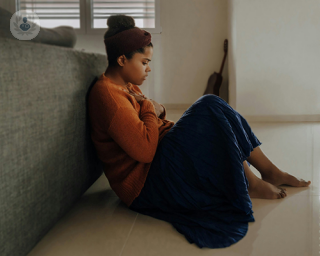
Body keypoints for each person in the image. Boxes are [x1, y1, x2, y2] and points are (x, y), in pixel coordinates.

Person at [88, 14, 311, 249]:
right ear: (122, 59)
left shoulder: (125, 85)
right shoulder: (109, 97)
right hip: (145, 183)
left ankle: (270, 171)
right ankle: (251, 182)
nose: (149, 68)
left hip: (158, 160)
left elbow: (151, 118)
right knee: (209, 106)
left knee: (213, 105)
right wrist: (149, 107)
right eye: (144, 62)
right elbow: (144, 151)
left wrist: (158, 109)